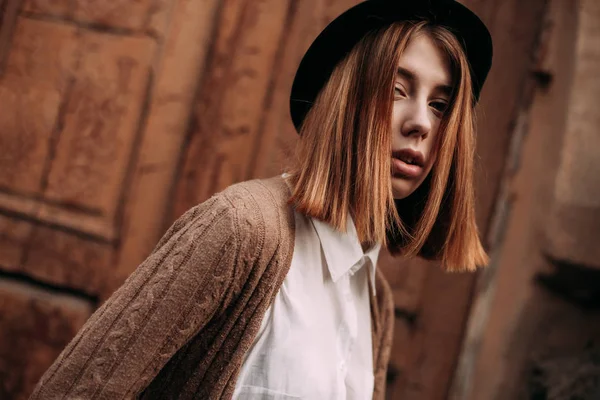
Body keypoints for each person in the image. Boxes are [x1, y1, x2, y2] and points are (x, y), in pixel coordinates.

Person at [30, 0, 493, 399]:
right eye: (397, 90)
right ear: (347, 102)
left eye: (440, 105)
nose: (422, 124)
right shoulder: (240, 229)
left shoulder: (376, 301)